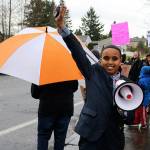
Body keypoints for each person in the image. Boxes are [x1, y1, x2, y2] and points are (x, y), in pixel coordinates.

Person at [55, 6, 132, 150]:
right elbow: (78, 52)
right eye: (106, 58)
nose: (110, 62)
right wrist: (62, 28)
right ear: (100, 60)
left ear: (120, 61)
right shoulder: (92, 72)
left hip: (114, 138)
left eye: (114, 59)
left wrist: (124, 111)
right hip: (90, 136)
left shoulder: (128, 84)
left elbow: (131, 117)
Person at [31, 80, 78, 150]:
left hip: (47, 108)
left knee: (43, 136)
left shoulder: (42, 70)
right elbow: (74, 87)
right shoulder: (68, 70)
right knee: (60, 138)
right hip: (65, 108)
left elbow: (35, 93)